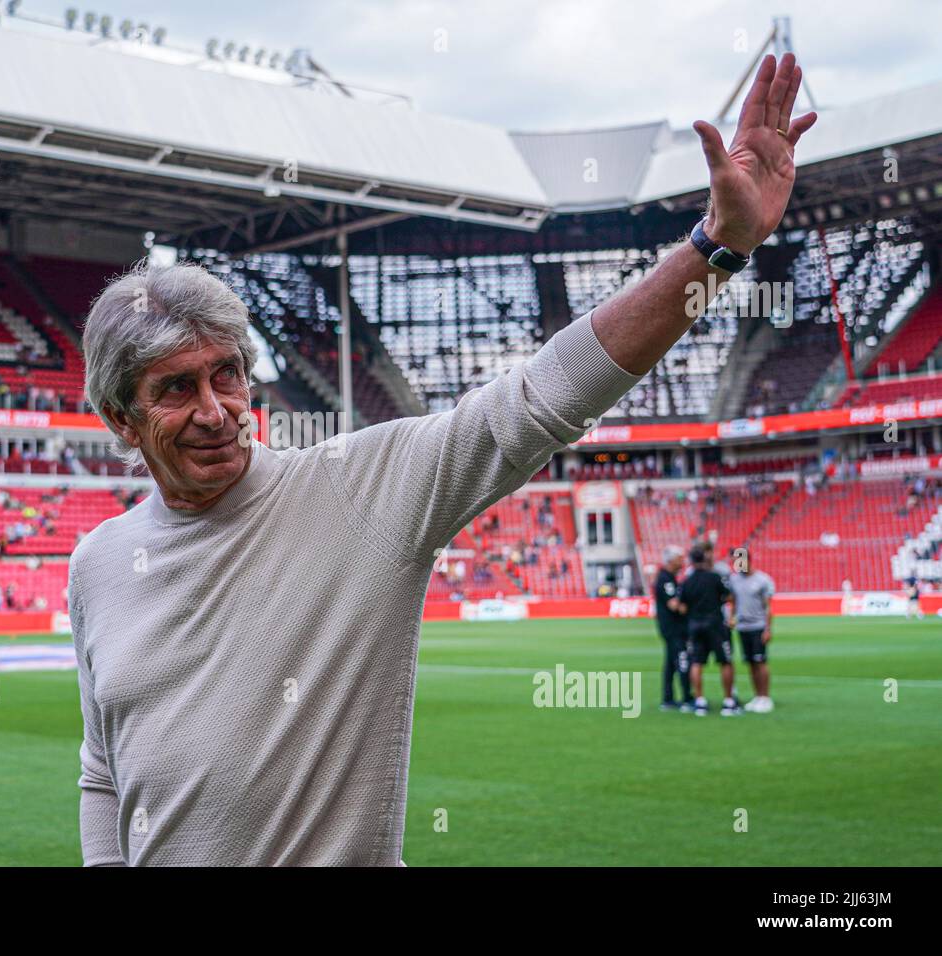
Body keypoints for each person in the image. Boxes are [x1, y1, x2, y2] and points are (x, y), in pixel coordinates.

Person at [69, 53, 815, 865]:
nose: (215, 411)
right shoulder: (97, 565)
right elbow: (103, 769)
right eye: (177, 389)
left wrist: (717, 248)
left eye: (229, 375)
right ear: (122, 418)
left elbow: (533, 403)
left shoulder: (357, 492)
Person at [678, 546, 742, 716]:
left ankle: (700, 701)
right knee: (725, 661)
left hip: (695, 625)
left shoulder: (687, 581)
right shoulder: (715, 577)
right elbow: (729, 597)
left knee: (697, 663)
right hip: (715, 624)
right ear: (705, 559)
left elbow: (682, 607)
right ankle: (728, 701)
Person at [729, 558, 776, 713]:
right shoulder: (735, 580)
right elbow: (733, 602)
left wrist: (768, 629)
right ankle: (757, 696)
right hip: (743, 627)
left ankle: (765, 696)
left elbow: (768, 607)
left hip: (758, 626)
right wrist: (732, 617)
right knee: (750, 662)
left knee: (760, 661)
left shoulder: (762, 580)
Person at [653, 546, 693, 712]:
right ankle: (687, 698)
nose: (682, 561)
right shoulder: (665, 579)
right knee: (682, 660)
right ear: (671, 560)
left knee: (670, 663)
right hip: (674, 629)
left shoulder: (670, 578)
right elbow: (674, 605)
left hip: (671, 628)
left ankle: (667, 699)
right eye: (679, 558)